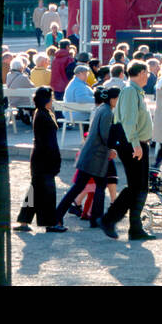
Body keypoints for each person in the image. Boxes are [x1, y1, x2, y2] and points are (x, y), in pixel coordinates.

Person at [101, 62, 156, 241]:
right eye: (147, 73)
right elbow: (128, 121)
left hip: (137, 144)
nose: (148, 76)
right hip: (133, 144)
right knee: (136, 186)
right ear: (141, 73)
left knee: (139, 187)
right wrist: (136, 145)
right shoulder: (130, 92)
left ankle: (134, 227)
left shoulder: (134, 91)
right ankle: (110, 219)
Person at [54, 85, 121, 229]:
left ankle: (61, 216)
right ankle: (95, 218)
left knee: (81, 187)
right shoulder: (108, 112)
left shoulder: (101, 108)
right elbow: (105, 135)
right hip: (96, 156)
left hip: (91, 154)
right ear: (114, 99)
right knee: (94, 187)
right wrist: (112, 147)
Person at [16, 87, 67, 232]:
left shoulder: (42, 113)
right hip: (45, 158)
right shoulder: (44, 115)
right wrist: (55, 158)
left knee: (36, 190)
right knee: (48, 192)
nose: (52, 100)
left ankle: (24, 220)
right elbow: (49, 142)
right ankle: (49, 223)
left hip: (40, 157)